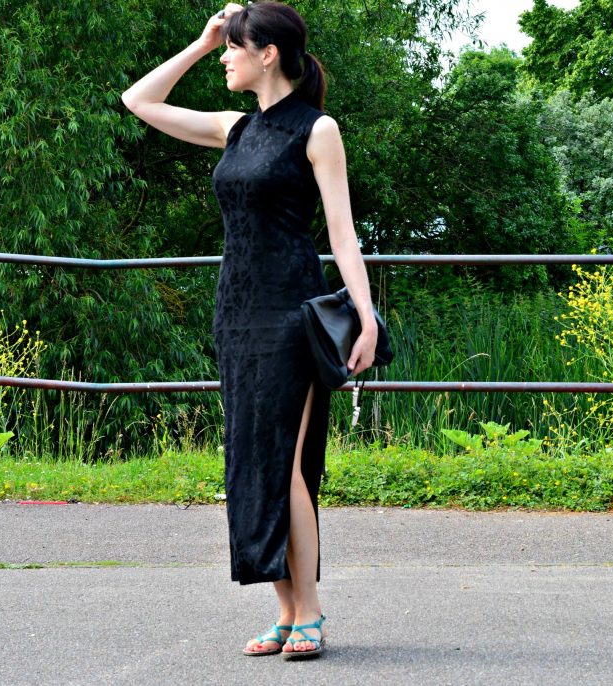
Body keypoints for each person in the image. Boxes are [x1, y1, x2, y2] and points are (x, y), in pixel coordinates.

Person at [121, 1, 377, 660]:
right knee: (253, 466)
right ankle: (286, 612)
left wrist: (366, 317)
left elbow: (343, 236)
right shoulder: (237, 129)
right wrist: (204, 42)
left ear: (268, 53)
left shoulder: (317, 130)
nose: (227, 58)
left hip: (290, 312)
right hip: (235, 314)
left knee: (287, 465)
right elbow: (139, 100)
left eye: (236, 48)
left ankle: (311, 613)